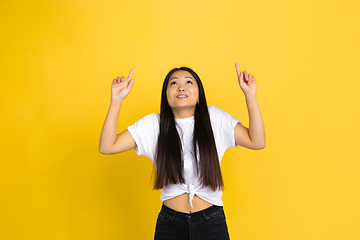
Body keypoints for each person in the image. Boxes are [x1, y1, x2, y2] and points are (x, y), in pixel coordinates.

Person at [99, 63, 265, 240]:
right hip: (170, 225)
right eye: (173, 83)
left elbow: (257, 141)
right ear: (166, 97)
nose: (181, 87)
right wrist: (116, 100)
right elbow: (107, 146)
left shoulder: (214, 118)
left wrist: (250, 96)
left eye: (188, 82)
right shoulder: (154, 124)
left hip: (212, 223)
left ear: (199, 95)